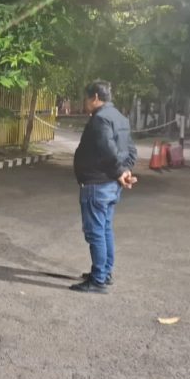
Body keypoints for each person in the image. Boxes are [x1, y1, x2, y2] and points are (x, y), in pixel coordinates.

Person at [71, 80, 138, 294]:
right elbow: (131, 151)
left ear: (95, 97)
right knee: (105, 228)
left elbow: (107, 151)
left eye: (86, 98)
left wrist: (120, 172)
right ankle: (104, 272)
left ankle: (98, 279)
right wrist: (125, 171)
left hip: (97, 184)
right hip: (110, 185)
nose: (84, 102)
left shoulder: (100, 119)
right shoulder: (120, 117)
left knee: (95, 232)